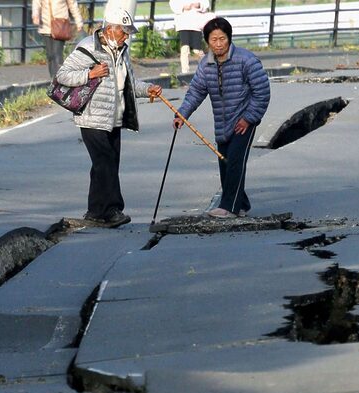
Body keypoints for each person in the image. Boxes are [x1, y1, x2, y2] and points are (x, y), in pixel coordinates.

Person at [56, 7, 162, 228]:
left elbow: (129, 84)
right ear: (110, 29)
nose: (126, 36)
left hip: (114, 117)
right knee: (105, 162)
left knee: (105, 164)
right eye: (124, 32)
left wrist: (148, 89)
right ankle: (112, 209)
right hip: (92, 117)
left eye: (128, 33)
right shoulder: (87, 47)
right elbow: (62, 75)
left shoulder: (121, 51)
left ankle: (95, 212)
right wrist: (89, 74)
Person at [174, 17, 270, 219]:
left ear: (229, 38)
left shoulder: (247, 60)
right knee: (225, 162)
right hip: (222, 123)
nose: (218, 44)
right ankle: (241, 203)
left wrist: (249, 118)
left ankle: (229, 207)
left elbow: (262, 92)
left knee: (235, 160)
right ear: (207, 41)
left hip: (244, 121)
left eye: (222, 39)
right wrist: (182, 114)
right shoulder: (206, 65)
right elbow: (195, 92)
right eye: (213, 40)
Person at [32, 0, 84, 77]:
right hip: (45, 25)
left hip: (60, 25)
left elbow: (72, 5)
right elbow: (36, 3)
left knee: (57, 54)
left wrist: (79, 21)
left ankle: (59, 78)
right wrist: (35, 15)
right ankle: (53, 78)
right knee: (50, 55)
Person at [169, 0, 212, 74]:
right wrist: (183, 7)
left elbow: (205, 3)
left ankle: (207, 67)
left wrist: (199, 5)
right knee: (184, 48)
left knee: (197, 50)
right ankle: (185, 71)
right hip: (183, 24)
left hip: (196, 23)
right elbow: (173, 3)